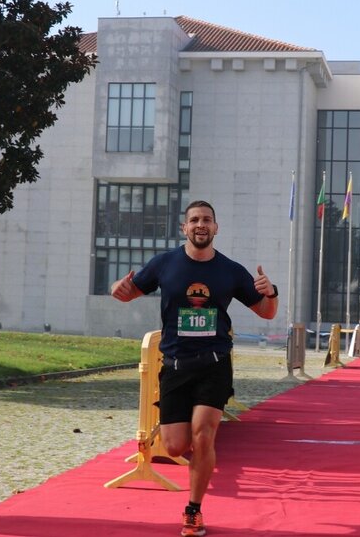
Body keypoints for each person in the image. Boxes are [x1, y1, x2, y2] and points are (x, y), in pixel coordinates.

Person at [111, 200, 278, 537]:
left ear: (216, 228)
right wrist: (117, 288)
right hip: (174, 365)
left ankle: (193, 510)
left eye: (207, 220)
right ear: (184, 228)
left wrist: (271, 292)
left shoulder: (230, 270)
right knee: (174, 445)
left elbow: (266, 312)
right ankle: (186, 451)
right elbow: (127, 294)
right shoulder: (164, 263)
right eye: (195, 220)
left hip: (214, 364)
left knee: (204, 435)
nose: (201, 225)